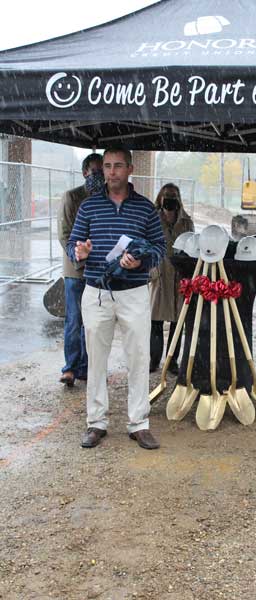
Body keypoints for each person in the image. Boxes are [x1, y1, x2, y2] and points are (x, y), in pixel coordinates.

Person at [67, 146, 166, 449]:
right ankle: (96, 422)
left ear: (130, 169)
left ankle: (139, 423)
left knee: (138, 358)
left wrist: (141, 262)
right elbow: (74, 242)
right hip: (97, 292)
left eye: (117, 166)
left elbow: (160, 248)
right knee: (96, 359)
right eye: (107, 166)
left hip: (134, 293)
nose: (111, 172)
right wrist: (78, 252)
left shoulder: (146, 208)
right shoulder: (88, 207)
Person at [57, 153, 104, 387]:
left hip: (98, 271)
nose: (99, 175)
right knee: (74, 320)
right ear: (85, 172)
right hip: (75, 272)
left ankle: (88, 367)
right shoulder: (72, 197)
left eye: (101, 171)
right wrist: (78, 259)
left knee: (94, 322)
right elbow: (64, 235)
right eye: (95, 171)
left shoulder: (106, 198)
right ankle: (71, 367)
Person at [149, 183, 194, 375]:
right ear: (160, 197)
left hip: (179, 277)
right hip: (159, 275)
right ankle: (154, 360)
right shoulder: (152, 219)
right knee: (155, 322)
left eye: (174, 195)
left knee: (178, 322)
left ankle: (172, 360)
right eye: (167, 195)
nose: (170, 199)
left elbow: (192, 247)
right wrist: (151, 272)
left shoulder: (186, 222)